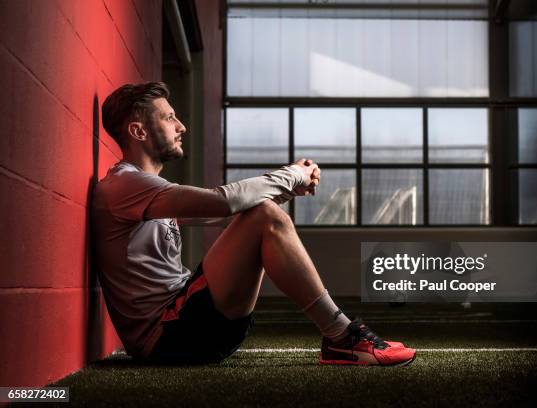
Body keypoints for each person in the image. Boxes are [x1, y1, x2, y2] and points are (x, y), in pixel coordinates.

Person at [93, 81, 416, 366]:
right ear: (138, 131)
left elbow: (224, 213)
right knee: (263, 215)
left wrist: (286, 191)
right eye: (169, 117)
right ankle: (341, 337)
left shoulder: (144, 191)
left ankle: (341, 338)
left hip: (186, 320)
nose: (181, 127)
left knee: (263, 212)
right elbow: (222, 202)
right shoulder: (124, 185)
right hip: (166, 336)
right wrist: (292, 174)